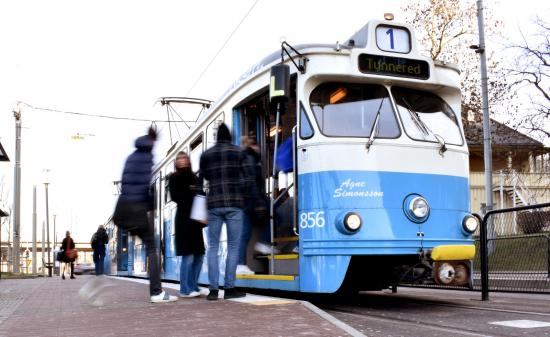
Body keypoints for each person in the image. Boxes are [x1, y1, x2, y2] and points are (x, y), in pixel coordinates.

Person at [114, 126, 177, 303]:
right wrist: (152, 206)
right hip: (138, 209)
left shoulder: (130, 157)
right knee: (152, 249)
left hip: (124, 209)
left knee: (146, 243)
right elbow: (145, 186)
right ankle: (156, 292)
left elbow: (127, 184)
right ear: (153, 140)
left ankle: (157, 292)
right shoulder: (148, 158)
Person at [198, 123, 255, 300]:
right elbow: (248, 178)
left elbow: (203, 178)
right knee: (233, 246)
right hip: (234, 204)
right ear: (230, 136)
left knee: (213, 248)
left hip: (214, 204)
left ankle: (213, 290)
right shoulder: (239, 152)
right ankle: (230, 289)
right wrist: (242, 196)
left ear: (216, 137)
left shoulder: (206, 155)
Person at [169, 151, 208, 298]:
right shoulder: (174, 177)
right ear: (176, 162)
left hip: (196, 221)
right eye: (179, 159)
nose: (182, 161)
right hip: (184, 220)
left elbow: (201, 195)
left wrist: (203, 212)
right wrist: (191, 194)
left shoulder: (194, 177)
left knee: (199, 255)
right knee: (188, 255)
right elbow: (175, 196)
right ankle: (185, 289)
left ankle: (194, 286)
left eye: (184, 158)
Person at [237, 136, 265, 275]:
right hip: (250, 200)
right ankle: (264, 243)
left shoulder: (242, 157)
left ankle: (240, 264)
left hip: (243, 201)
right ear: (252, 146)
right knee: (273, 215)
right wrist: (259, 201)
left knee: (244, 234)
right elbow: (252, 181)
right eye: (256, 145)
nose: (258, 148)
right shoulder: (250, 158)